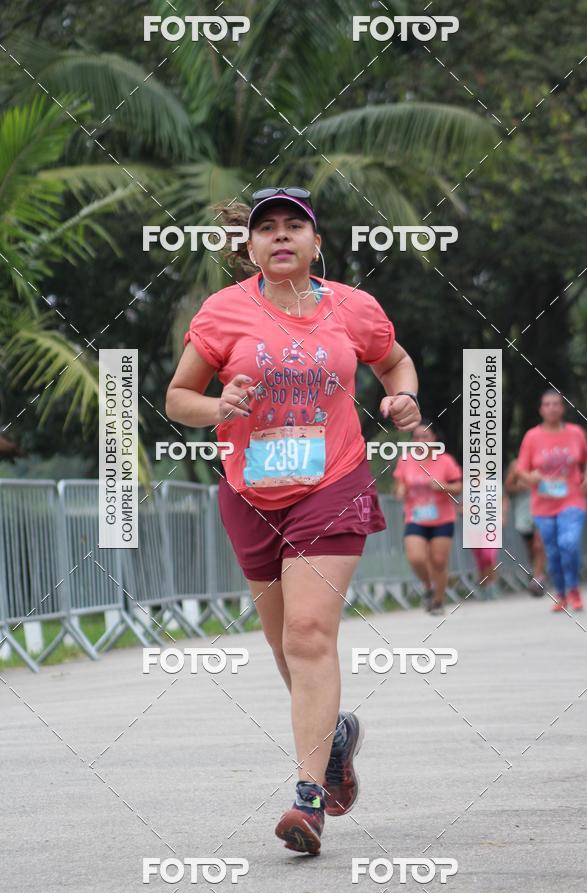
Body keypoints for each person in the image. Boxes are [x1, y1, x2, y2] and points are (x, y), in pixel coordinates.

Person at [165, 187, 421, 854]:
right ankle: (334, 740)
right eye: (267, 228)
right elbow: (178, 397)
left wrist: (402, 398)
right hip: (249, 491)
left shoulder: (354, 307)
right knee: (284, 645)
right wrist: (218, 407)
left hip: (332, 482)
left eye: (294, 226)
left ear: (315, 243)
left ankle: (309, 800)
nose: (280, 235)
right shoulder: (222, 312)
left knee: (308, 634)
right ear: (249, 247)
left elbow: (394, 361)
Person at [516, 389, 587, 612]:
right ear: (541, 409)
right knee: (552, 551)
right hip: (543, 505)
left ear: (563, 408)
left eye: (556, 404)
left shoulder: (576, 433)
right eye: (547, 404)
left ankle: (574, 589)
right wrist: (531, 477)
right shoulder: (532, 437)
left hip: (572, 499)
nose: (552, 408)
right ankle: (561, 593)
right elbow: (521, 470)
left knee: (569, 543)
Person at [393, 421, 462, 614]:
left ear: (434, 439)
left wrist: (443, 486)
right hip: (415, 517)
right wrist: (399, 491)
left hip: (442, 518)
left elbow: (458, 487)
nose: (421, 441)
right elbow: (399, 486)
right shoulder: (405, 460)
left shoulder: (445, 460)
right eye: (417, 437)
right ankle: (429, 585)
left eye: (425, 437)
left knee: (439, 561)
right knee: (416, 558)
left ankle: (438, 601)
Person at [503, 460, 546, 595]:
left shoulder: (542, 461)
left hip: (542, 510)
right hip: (523, 513)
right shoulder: (516, 465)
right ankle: (537, 572)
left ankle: (538, 579)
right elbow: (508, 488)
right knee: (531, 549)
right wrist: (520, 487)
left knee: (538, 545)